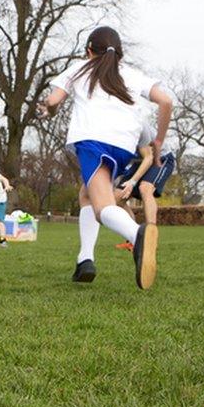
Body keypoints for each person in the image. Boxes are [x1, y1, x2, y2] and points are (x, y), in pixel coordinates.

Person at [37, 26, 172, 289]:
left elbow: (53, 101)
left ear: (89, 51)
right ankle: (84, 259)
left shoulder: (80, 69)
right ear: (119, 54)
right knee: (86, 194)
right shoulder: (131, 75)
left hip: (93, 142)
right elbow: (166, 102)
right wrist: (158, 141)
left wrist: (49, 110)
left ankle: (138, 236)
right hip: (124, 146)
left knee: (102, 208)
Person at [114, 120, 176, 251]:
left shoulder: (139, 126)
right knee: (117, 198)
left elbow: (149, 158)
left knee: (145, 188)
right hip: (139, 162)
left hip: (160, 158)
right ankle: (133, 238)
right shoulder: (112, 131)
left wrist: (132, 182)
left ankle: (150, 238)